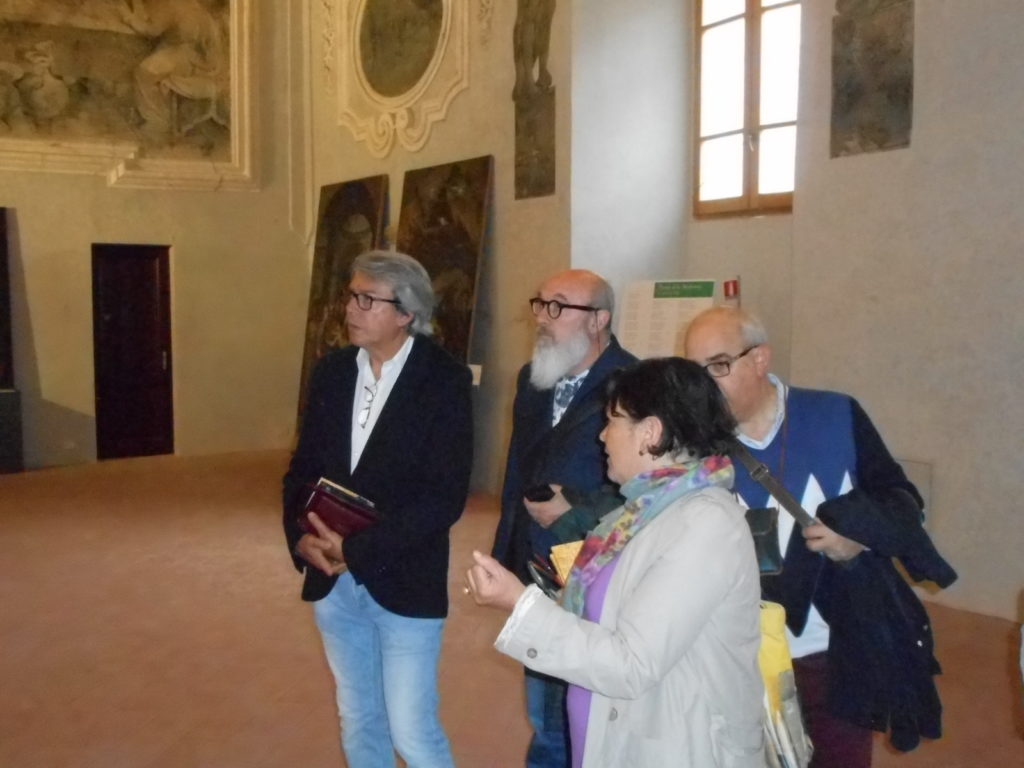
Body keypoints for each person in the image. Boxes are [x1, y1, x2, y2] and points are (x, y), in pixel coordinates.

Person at [684, 306, 956, 768]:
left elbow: (900, 498)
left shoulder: (836, 414)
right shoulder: (693, 445)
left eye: (719, 366)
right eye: (695, 372)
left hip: (836, 651)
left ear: (760, 359)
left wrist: (859, 536)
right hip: (739, 657)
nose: (704, 386)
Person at [469, 357, 765, 768]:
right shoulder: (642, 511)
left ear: (650, 433)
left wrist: (520, 605)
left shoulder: (705, 524)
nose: (602, 436)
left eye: (612, 421)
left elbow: (631, 664)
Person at [282, 250, 473, 768]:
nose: (351, 308)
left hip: (403, 577)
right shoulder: (331, 371)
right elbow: (301, 469)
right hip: (331, 578)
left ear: (406, 313)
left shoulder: (444, 381)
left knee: (412, 732)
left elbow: (445, 496)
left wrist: (357, 550)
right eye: (352, 296)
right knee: (359, 719)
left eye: (368, 300)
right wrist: (300, 539)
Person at [491, 268, 636, 768]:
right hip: (538, 570)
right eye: (539, 304)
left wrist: (574, 504)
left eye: (558, 307)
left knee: (585, 719)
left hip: (598, 567)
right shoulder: (532, 379)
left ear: (599, 320)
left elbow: (648, 488)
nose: (542, 318)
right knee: (546, 716)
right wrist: (506, 559)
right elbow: (516, 471)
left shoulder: (634, 384)